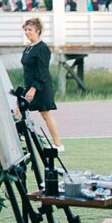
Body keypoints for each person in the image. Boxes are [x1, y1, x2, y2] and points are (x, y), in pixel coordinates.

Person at [21, 17, 64, 152]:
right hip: (29, 86)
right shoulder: (28, 48)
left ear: (38, 31)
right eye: (26, 29)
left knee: (45, 114)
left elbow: (42, 70)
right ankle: (21, 139)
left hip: (40, 87)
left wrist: (33, 89)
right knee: (18, 110)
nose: (27, 32)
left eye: (30, 30)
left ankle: (58, 144)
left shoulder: (42, 48)